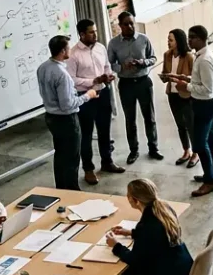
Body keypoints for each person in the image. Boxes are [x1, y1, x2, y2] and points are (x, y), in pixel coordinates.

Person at [167, 26, 213, 197]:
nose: (189, 40)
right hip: (205, 103)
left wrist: (187, 86)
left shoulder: (204, 59)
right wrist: (187, 79)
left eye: (192, 37)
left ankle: (209, 182)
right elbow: (202, 80)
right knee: (210, 139)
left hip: (205, 104)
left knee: (199, 144)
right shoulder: (201, 56)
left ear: (201, 39)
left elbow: (207, 88)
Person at [68, 19, 123, 184]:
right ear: (82, 34)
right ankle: (88, 169)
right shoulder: (73, 54)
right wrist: (93, 80)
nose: (95, 34)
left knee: (105, 130)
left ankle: (107, 162)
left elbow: (106, 66)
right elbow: (71, 80)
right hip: (85, 96)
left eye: (95, 31)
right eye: (91, 32)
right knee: (86, 134)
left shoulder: (100, 48)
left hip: (103, 92)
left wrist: (108, 76)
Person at [38, 35, 97, 191]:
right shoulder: (62, 74)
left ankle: (61, 188)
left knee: (60, 155)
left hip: (51, 117)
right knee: (71, 157)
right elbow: (68, 105)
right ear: (63, 51)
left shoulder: (43, 67)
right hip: (66, 120)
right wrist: (88, 95)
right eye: (68, 48)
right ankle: (72, 190)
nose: (70, 50)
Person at [107, 11, 161, 164]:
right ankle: (134, 150)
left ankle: (153, 148)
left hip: (143, 82)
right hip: (126, 84)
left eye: (132, 23)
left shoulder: (143, 39)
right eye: (126, 24)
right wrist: (121, 67)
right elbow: (110, 64)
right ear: (120, 26)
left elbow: (153, 58)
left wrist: (143, 62)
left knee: (149, 117)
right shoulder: (114, 44)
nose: (130, 26)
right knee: (130, 119)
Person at [159, 28, 197, 169]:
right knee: (180, 124)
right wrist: (164, 77)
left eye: (171, 40)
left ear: (178, 41)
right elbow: (165, 72)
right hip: (173, 94)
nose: (168, 42)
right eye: (168, 40)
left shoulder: (189, 57)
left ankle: (196, 153)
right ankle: (186, 150)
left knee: (191, 125)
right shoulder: (167, 55)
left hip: (186, 94)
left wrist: (182, 80)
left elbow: (195, 77)